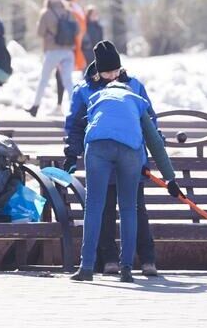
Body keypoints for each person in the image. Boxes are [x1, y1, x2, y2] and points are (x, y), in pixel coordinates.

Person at [64, 40, 161, 276]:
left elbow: (149, 120)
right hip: (100, 155)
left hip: (131, 154)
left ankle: (147, 258)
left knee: (136, 208)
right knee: (104, 207)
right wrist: (71, 152)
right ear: (97, 70)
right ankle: (110, 259)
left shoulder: (134, 85)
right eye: (108, 72)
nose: (114, 75)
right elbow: (75, 126)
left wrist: (154, 149)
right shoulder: (84, 90)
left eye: (117, 70)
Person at [69, 80, 182, 283]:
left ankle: (86, 268)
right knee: (129, 208)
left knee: (94, 208)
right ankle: (127, 269)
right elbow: (154, 141)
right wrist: (170, 179)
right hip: (130, 149)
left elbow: (89, 125)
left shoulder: (97, 98)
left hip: (98, 147)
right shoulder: (136, 101)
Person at [28, 0, 77, 117]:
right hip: (68, 51)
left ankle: (35, 106)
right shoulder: (68, 12)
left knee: (44, 79)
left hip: (53, 51)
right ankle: (77, 108)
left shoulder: (46, 13)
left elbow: (40, 32)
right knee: (68, 81)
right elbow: (76, 30)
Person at [56, 0, 87, 107]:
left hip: (68, 46)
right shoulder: (77, 6)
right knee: (65, 77)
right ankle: (70, 103)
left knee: (63, 76)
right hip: (77, 46)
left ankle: (69, 104)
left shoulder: (66, 8)